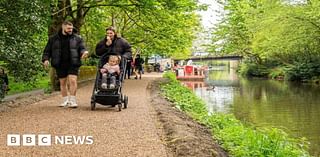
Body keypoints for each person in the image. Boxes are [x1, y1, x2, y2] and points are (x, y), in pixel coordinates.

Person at [42, 20, 89, 108]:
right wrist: (45, 59)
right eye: (68, 28)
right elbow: (47, 51)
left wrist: (84, 53)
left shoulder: (77, 38)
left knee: (72, 81)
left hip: (73, 62)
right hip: (60, 63)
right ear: (63, 27)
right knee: (62, 83)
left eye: (71, 28)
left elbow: (82, 48)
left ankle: (73, 100)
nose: (70, 30)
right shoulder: (53, 39)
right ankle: (65, 100)